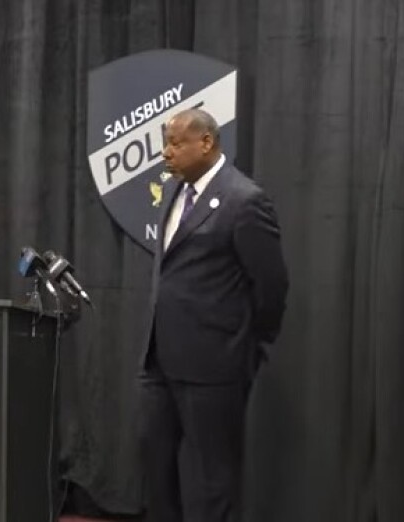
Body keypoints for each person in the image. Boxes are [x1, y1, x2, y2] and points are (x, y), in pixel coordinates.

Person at [139, 109, 288, 522]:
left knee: (213, 480)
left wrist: (246, 343)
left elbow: (271, 286)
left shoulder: (244, 200)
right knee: (156, 469)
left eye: (174, 144)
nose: (165, 154)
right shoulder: (173, 192)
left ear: (206, 143)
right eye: (164, 144)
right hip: (159, 360)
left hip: (215, 364)